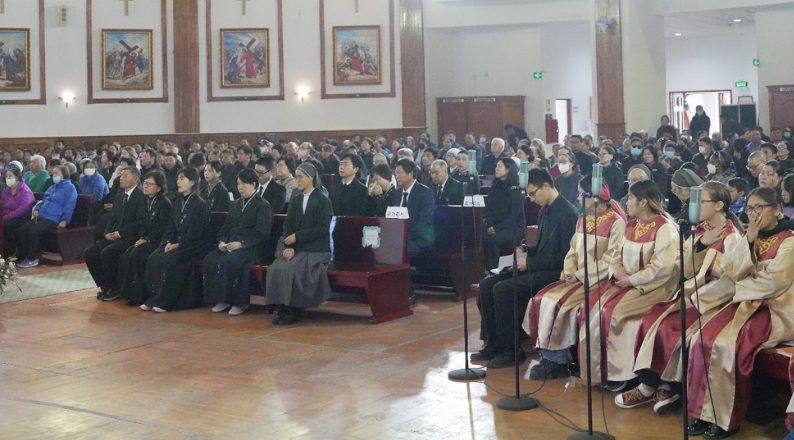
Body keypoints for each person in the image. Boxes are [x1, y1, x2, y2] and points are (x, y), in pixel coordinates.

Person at [615, 182, 744, 413]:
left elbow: (728, 282)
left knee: (673, 329)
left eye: (701, 201)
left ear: (719, 205)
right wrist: (701, 245)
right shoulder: (702, 230)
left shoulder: (731, 237)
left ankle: (670, 386)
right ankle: (650, 384)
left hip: (713, 302)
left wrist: (695, 296)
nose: (695, 206)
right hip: (690, 294)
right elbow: (683, 268)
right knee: (652, 320)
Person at [687, 187, 794, 439]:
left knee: (726, 345)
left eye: (759, 208)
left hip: (773, 308)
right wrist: (750, 240)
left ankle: (725, 419)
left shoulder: (789, 240)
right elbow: (731, 270)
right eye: (750, 208)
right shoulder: (749, 235)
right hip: (745, 301)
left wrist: (741, 286)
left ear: (777, 209)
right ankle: (702, 412)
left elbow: (775, 282)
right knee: (701, 338)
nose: (753, 214)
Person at [579, 180, 680, 390]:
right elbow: (615, 255)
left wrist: (632, 280)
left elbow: (662, 268)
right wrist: (616, 271)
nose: (626, 202)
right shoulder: (631, 225)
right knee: (592, 306)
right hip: (626, 282)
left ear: (643, 202)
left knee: (614, 313)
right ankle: (600, 371)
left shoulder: (665, 228)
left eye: (631, 198)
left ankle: (622, 375)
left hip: (653, 287)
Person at [472, 168, 578, 369]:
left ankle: (511, 350)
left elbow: (565, 258)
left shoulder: (568, 213)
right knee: (487, 284)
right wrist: (525, 250)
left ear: (545, 186)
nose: (531, 199)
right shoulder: (544, 210)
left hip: (556, 273)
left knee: (503, 289)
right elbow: (542, 246)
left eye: (533, 193)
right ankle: (493, 344)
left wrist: (529, 263)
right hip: (539, 266)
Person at [524, 176, 626, 380]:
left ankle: (558, 361)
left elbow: (611, 260)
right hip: (577, 278)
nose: (578, 198)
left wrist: (580, 275)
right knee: (542, 299)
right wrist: (570, 270)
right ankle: (550, 357)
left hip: (599, 280)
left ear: (593, 197)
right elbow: (572, 250)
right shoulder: (582, 218)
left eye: (581, 194)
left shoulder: (616, 222)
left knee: (561, 306)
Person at [266, 163, 333, 325]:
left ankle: (294, 309)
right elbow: (288, 225)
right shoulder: (296, 200)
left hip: (315, 249)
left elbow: (322, 228)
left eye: (300, 177)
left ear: (310, 178)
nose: (297, 180)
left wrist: (297, 237)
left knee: (292, 269)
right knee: (276, 267)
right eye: (296, 177)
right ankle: (282, 307)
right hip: (297, 247)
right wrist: (289, 246)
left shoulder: (322, 200)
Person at [204, 168, 273, 316]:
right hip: (232, 245)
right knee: (211, 258)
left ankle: (239, 302)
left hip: (252, 247)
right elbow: (225, 228)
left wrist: (241, 244)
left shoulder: (263, 205)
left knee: (233, 260)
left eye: (243, 184)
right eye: (238, 184)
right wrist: (222, 241)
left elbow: (262, 233)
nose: (240, 187)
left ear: (253, 184)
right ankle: (221, 299)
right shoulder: (235, 204)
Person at [142, 168, 211, 312]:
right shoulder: (177, 202)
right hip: (176, 243)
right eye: (178, 178)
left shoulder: (201, 205)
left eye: (182, 178)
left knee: (167, 260)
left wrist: (178, 244)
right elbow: (171, 226)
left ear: (192, 182)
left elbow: (197, 232)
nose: (178, 181)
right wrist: (168, 241)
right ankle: (154, 298)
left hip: (192, 246)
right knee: (154, 257)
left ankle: (166, 302)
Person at [84, 167, 145, 301]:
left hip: (130, 236)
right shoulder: (119, 196)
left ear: (135, 178)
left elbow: (139, 222)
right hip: (115, 235)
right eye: (121, 176)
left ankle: (114, 288)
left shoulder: (141, 197)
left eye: (125, 176)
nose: (121, 179)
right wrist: (107, 232)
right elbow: (112, 218)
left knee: (107, 253)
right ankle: (104, 285)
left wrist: (120, 233)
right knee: (90, 252)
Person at [117, 171, 172, 306]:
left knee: (138, 255)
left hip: (157, 240)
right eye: (145, 183)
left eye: (149, 184)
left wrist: (147, 239)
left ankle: (142, 295)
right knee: (126, 256)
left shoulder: (164, 203)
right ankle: (128, 293)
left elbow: (162, 227)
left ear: (159, 188)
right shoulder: (145, 201)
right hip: (145, 238)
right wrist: (142, 236)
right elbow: (141, 223)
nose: (145, 186)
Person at [15, 165, 78, 268]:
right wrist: (37, 208)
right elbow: (44, 200)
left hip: (54, 218)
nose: (54, 175)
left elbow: (69, 206)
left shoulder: (70, 188)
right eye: (53, 173)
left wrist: (64, 220)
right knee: (22, 229)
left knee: (33, 230)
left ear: (64, 175)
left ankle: (32, 258)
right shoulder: (52, 187)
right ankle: (23, 256)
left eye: (56, 173)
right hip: (42, 215)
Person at [483, 158, 525, 270]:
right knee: (480, 237)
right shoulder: (495, 186)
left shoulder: (516, 189)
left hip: (513, 227)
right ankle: (482, 270)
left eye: (500, 166)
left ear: (508, 169)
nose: (496, 169)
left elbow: (514, 215)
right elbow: (489, 209)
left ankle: (494, 271)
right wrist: (490, 225)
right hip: (495, 225)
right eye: (496, 166)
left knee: (493, 240)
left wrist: (496, 228)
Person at [390, 159, 435, 259]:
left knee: (399, 252)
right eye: (396, 173)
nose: (397, 176)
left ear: (410, 174)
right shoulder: (396, 193)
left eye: (399, 173)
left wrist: (404, 238)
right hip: (399, 237)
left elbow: (424, 221)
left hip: (418, 239)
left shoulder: (425, 193)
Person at [2, 167, 36, 258]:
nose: (7, 178)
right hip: (7, 216)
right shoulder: (6, 190)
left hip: (23, 217)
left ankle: (10, 254)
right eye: (6, 176)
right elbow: (3, 204)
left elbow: (23, 209)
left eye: (10, 176)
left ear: (17, 177)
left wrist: (6, 217)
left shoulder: (25, 191)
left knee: (7, 226)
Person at [670, 168, 704, 237]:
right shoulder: (687, 205)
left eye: (674, 190)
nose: (675, 194)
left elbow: (689, 234)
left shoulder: (696, 208)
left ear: (685, 189)